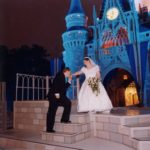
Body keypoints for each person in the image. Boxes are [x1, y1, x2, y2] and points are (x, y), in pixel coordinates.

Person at [46, 67, 72, 133]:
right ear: (66, 71)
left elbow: (63, 88)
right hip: (54, 96)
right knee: (51, 112)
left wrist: (69, 81)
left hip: (59, 96)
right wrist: (58, 98)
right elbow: (56, 86)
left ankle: (64, 119)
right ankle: (49, 129)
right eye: (69, 73)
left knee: (68, 103)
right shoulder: (60, 75)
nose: (70, 74)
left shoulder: (62, 76)